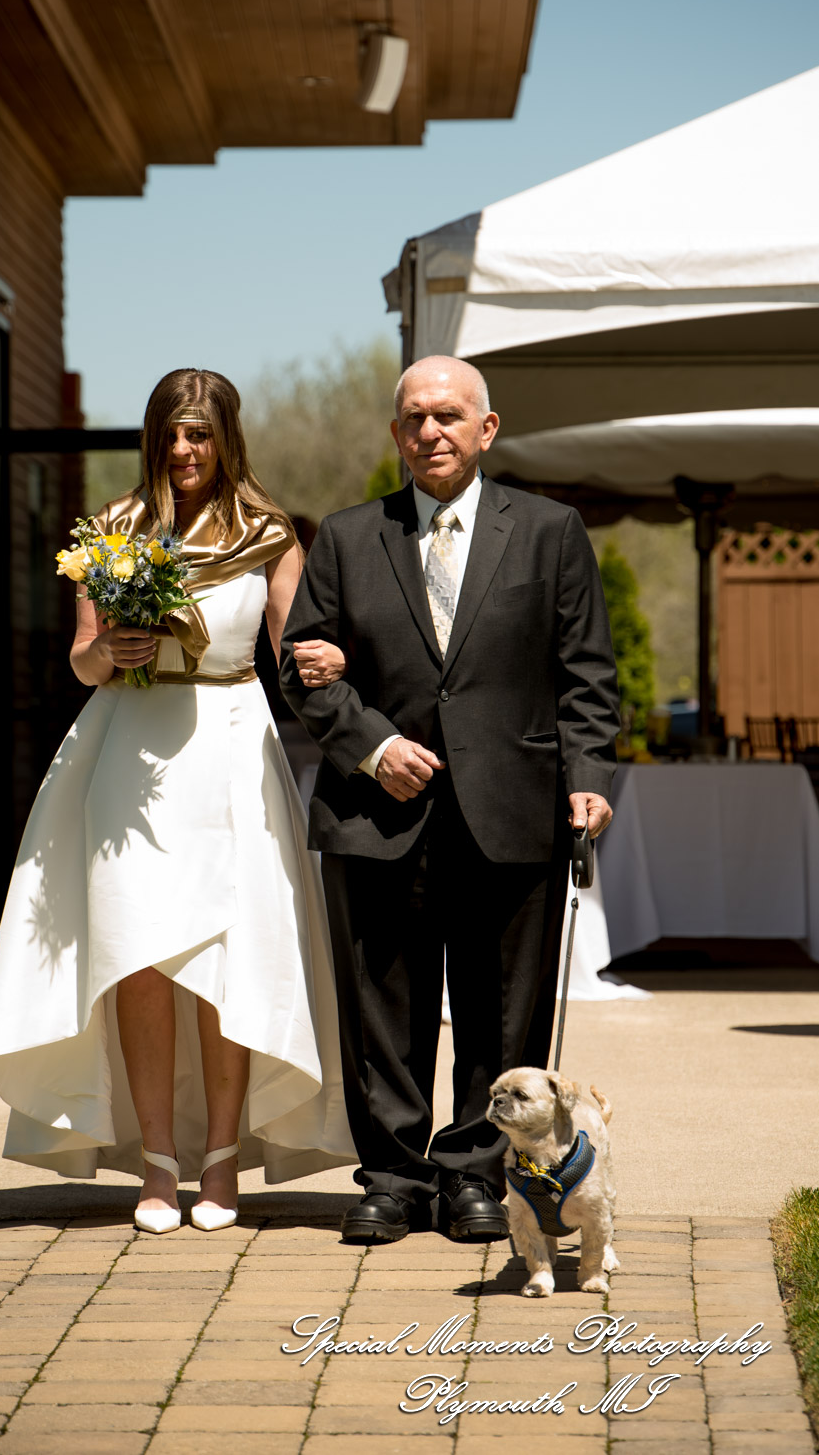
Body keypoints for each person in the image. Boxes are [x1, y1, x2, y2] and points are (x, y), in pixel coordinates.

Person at [0, 368, 355, 1233]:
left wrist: (326, 663)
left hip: (229, 744)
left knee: (225, 957)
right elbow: (78, 660)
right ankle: (154, 1164)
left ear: (226, 439)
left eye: (200, 434)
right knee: (135, 955)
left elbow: (295, 653)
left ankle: (220, 1165)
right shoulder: (111, 530)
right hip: (127, 748)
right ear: (152, 437)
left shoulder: (268, 533)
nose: (184, 451)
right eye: (171, 434)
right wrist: (112, 648)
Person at [280, 355, 620, 1246]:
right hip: (376, 812)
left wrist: (587, 780)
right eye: (412, 420)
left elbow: (586, 674)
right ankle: (391, 1179)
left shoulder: (550, 533)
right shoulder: (349, 539)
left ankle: (473, 1173)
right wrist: (372, 746)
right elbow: (303, 667)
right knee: (380, 1011)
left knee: (499, 1006)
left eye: (446, 416)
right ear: (396, 435)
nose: (429, 432)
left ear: (486, 428)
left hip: (514, 808)